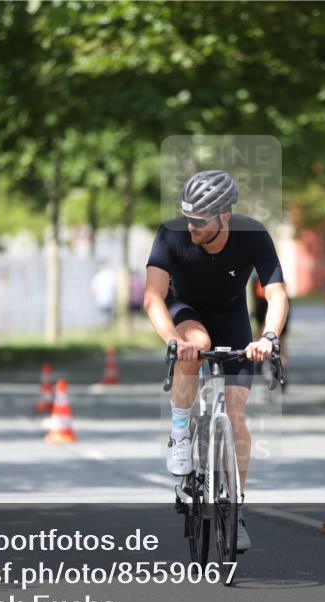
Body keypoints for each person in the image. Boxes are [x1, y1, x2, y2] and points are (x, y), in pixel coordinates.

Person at [143, 169, 289, 553]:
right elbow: (153, 297)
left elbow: (276, 295)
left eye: (200, 220)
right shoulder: (171, 233)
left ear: (225, 215)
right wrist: (174, 340)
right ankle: (179, 432)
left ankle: (236, 510)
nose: (191, 226)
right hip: (185, 309)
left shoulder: (252, 234)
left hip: (231, 315)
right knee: (197, 342)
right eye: (187, 216)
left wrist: (269, 338)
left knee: (237, 414)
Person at [89, 261, 117, 328]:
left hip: (101, 298)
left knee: (103, 313)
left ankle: (104, 326)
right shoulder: (111, 275)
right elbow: (115, 286)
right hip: (109, 298)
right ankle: (105, 326)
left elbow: (93, 288)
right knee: (107, 313)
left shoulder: (98, 275)